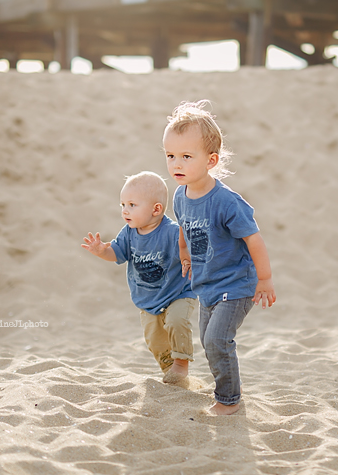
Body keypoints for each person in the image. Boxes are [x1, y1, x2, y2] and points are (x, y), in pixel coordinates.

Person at [163, 100, 275, 415]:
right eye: (171, 156)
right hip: (207, 283)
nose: (176, 164)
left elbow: (254, 238)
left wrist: (264, 279)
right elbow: (184, 226)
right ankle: (225, 393)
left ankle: (229, 400)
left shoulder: (226, 202)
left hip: (237, 283)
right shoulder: (180, 196)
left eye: (186, 156)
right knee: (207, 341)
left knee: (217, 340)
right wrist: (184, 253)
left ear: (210, 160)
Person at [81, 171, 198, 382]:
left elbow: (191, 249)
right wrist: (101, 251)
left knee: (176, 321)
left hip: (178, 291)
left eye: (132, 205)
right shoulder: (128, 232)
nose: (125, 211)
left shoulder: (172, 232)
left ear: (156, 209)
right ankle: (170, 371)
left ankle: (181, 364)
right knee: (155, 338)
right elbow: (117, 253)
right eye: (122, 205)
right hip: (148, 298)